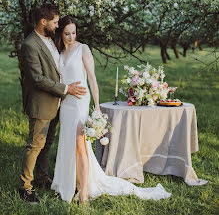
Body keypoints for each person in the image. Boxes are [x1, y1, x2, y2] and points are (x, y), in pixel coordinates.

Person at [51, 15, 171, 204]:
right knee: (68, 144)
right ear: (61, 33)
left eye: (74, 33)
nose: (71, 37)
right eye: (67, 33)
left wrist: (97, 107)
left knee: (81, 145)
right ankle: (70, 181)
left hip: (80, 103)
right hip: (66, 103)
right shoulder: (58, 51)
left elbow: (92, 79)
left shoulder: (83, 49)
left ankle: (83, 193)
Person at [19, 4, 87, 203]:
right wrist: (66, 89)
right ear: (43, 22)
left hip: (57, 103)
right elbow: (37, 78)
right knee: (35, 145)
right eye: (55, 22)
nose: (57, 26)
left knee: (47, 143)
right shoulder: (30, 44)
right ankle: (25, 187)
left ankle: (40, 178)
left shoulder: (50, 40)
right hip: (42, 104)